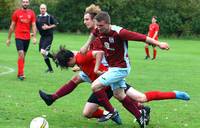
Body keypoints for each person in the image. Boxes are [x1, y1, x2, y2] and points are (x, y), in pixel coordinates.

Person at [39, 46, 190, 127]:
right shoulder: (77, 59)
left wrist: (97, 68)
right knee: (86, 112)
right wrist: (52, 56)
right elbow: (70, 55)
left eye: (67, 63)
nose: (67, 66)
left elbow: (95, 53)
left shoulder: (82, 56)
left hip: (109, 80)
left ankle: (175, 94)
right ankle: (53, 98)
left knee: (141, 97)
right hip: (100, 85)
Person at [80, 11, 170, 128]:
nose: (98, 28)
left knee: (95, 86)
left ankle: (112, 112)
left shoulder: (120, 32)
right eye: (97, 25)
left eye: (101, 26)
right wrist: (86, 45)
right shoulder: (98, 29)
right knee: (119, 95)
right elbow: (93, 33)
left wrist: (159, 43)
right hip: (113, 68)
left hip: (121, 68)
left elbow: (142, 38)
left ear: (108, 24)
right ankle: (140, 117)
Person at [6, 0, 37, 80]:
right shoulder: (16, 13)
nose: (25, 3)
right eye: (24, 2)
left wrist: (34, 37)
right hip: (18, 36)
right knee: (21, 54)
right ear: (21, 3)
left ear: (29, 3)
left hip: (27, 37)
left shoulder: (32, 13)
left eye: (27, 2)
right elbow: (12, 26)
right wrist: (9, 38)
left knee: (23, 57)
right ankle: (21, 74)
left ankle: (19, 73)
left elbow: (33, 25)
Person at [36, 4, 58, 73]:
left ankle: (55, 58)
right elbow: (36, 27)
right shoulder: (38, 17)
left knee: (43, 51)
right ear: (40, 9)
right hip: (42, 37)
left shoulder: (49, 17)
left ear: (46, 9)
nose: (42, 10)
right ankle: (50, 69)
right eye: (41, 8)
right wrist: (33, 33)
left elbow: (56, 24)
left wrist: (48, 27)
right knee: (43, 53)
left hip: (49, 36)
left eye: (44, 8)